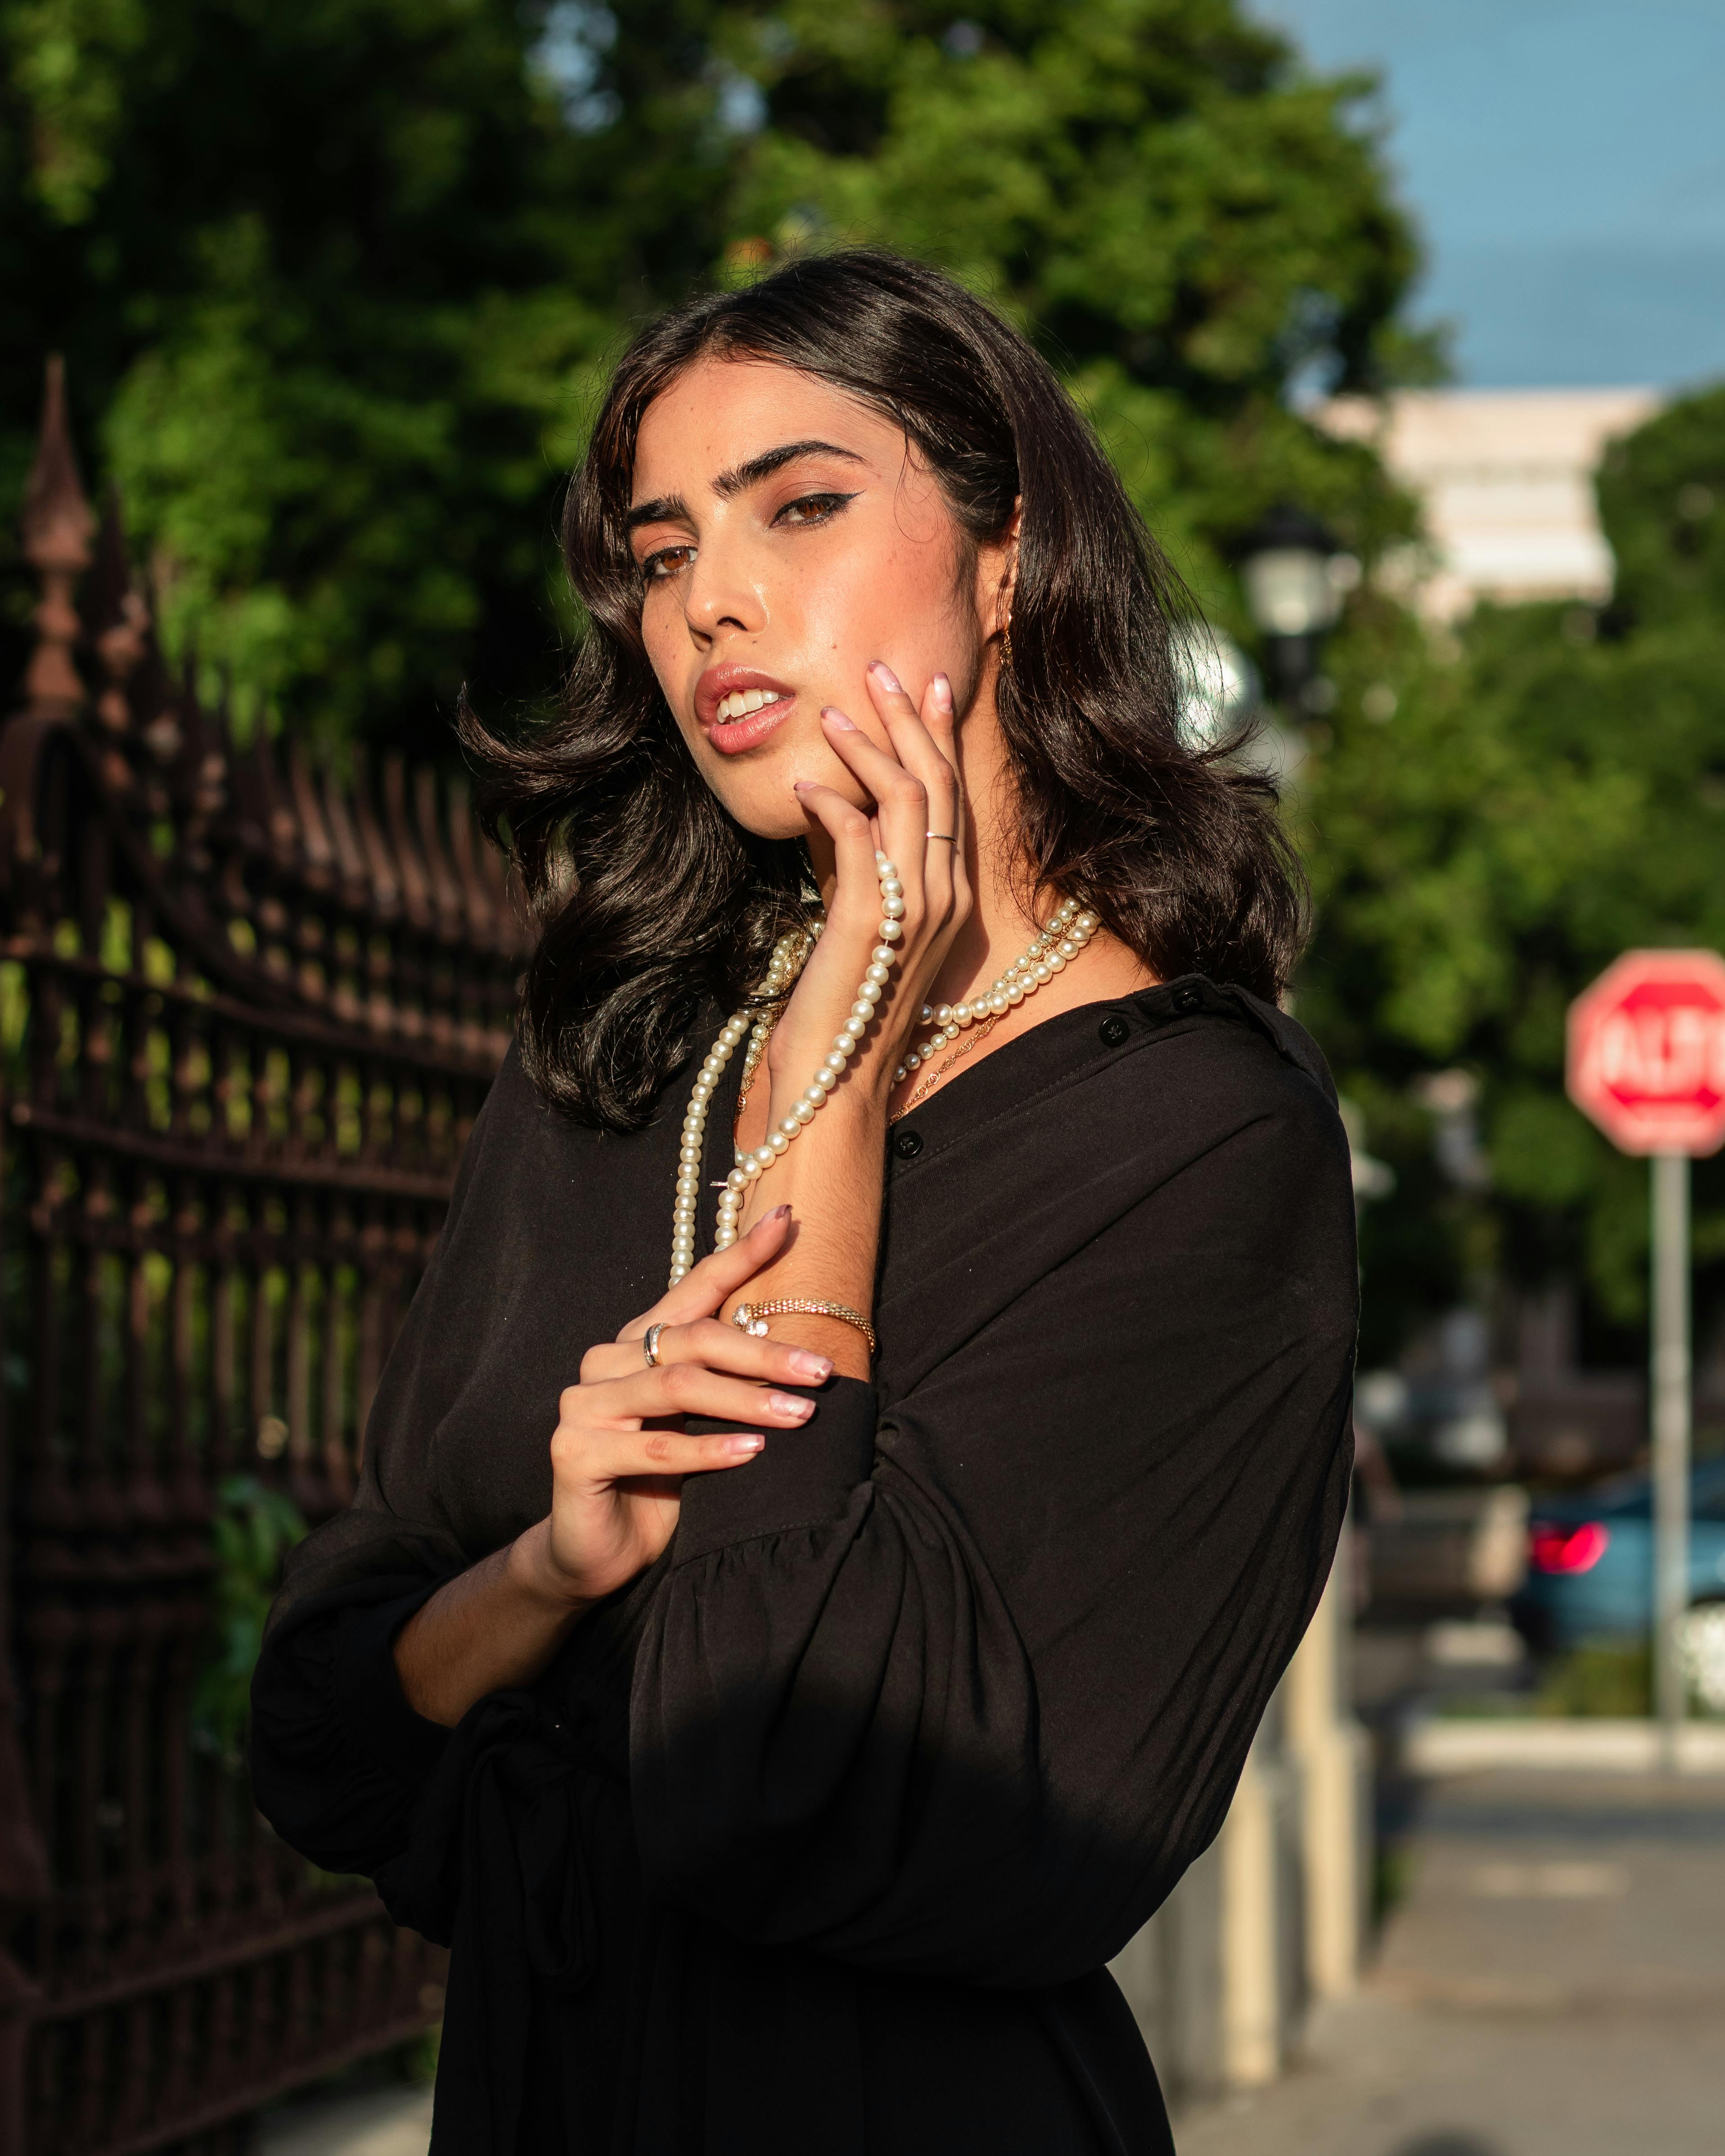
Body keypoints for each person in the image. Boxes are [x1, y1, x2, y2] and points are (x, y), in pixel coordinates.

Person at [250, 249, 1358, 2156]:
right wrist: (549, 1574)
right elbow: (325, 1733)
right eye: (664, 550)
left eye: (802, 506)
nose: (713, 603)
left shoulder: (1195, 1135)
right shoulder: (614, 1061)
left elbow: (791, 1772)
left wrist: (845, 1046)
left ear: (1003, 553)